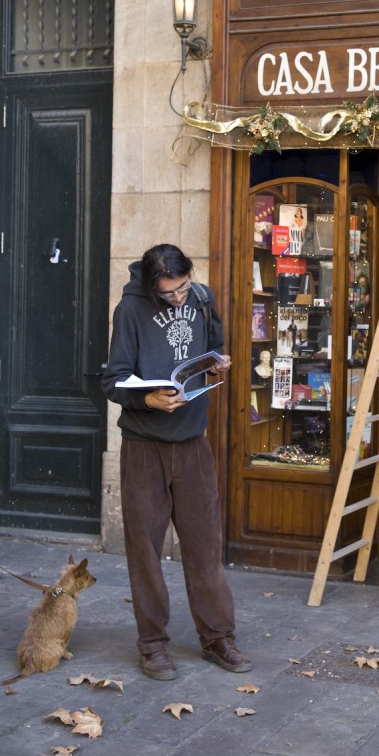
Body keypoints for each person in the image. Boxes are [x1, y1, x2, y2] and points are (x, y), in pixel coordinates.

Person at [102, 244, 252, 680]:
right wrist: (146, 397)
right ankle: (152, 646)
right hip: (144, 446)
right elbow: (113, 380)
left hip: (192, 443)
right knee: (145, 551)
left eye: (182, 287)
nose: (179, 297)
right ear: (152, 289)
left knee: (206, 545)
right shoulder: (129, 311)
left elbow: (216, 344)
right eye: (168, 294)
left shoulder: (202, 298)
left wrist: (219, 364)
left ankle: (217, 637)